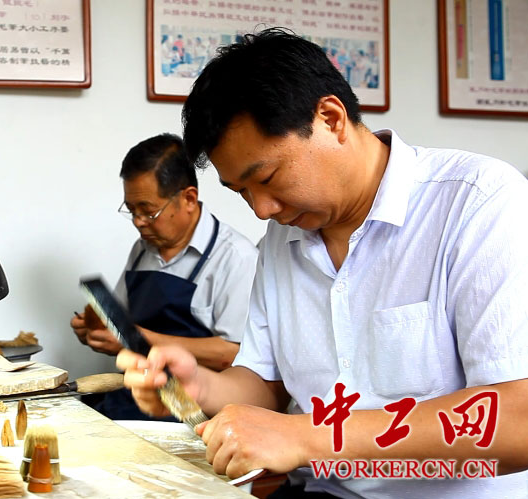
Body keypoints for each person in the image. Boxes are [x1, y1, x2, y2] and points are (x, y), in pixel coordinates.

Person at [118, 28, 528, 497]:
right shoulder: (282, 238)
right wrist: (199, 387)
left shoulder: (479, 204)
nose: (262, 210)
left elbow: (518, 419)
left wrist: (307, 437)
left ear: (330, 118)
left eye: (267, 177)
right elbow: (266, 383)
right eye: (242, 192)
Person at [72, 133, 259, 420]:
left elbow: (233, 353)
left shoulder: (236, 257)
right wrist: (98, 329)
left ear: (188, 198)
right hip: (134, 398)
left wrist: (138, 339)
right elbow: (121, 319)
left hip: (194, 411)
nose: (138, 222)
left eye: (148, 211)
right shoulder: (142, 250)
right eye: (131, 211)